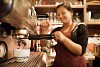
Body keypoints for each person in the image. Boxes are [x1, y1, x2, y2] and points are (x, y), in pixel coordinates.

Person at [40, 3, 88, 67]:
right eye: (58, 14)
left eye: (63, 13)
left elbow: (80, 51)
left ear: (71, 13)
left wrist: (63, 38)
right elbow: (45, 45)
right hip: (59, 64)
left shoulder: (80, 28)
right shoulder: (56, 30)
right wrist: (43, 31)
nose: (60, 16)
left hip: (77, 65)